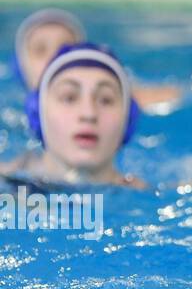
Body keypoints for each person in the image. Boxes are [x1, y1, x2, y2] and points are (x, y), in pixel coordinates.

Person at [1, 43, 146, 189]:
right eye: (69, 97)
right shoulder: (7, 183)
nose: (88, 114)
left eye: (105, 100)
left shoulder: (148, 201)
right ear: (37, 114)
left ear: (128, 119)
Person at [11, 8, 181, 109]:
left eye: (65, 47)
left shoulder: (121, 99)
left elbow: (177, 94)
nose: (54, 56)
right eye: (40, 50)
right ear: (23, 66)